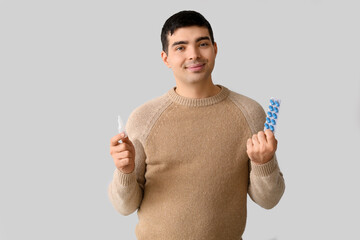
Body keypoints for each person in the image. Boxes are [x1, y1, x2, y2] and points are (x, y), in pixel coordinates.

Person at [108, 10, 285, 240]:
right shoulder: (144, 118)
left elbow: (269, 201)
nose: (193, 55)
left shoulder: (250, 113)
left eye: (202, 44)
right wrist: (125, 171)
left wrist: (264, 163)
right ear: (165, 58)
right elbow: (124, 207)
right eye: (180, 47)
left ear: (215, 49)